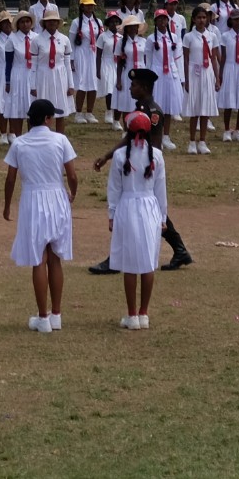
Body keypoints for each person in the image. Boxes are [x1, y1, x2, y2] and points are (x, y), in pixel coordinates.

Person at [87, 67, 195, 274]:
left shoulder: (152, 112)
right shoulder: (143, 108)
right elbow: (130, 138)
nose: (130, 88)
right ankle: (180, 250)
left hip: (146, 164)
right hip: (141, 162)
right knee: (151, 209)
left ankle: (116, 259)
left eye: (134, 85)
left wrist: (111, 157)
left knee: (135, 208)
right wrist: (109, 156)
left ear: (144, 87)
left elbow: (142, 141)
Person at [3, 98, 78, 333]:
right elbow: (72, 176)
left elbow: (11, 178)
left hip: (32, 199)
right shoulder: (60, 140)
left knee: (39, 259)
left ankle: (43, 317)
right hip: (57, 197)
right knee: (54, 257)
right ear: (47, 119)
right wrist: (72, 194)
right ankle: (56, 314)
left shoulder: (20, 143)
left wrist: (6, 206)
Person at [104, 110, 168, 329]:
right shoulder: (157, 155)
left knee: (130, 264)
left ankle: (132, 315)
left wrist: (111, 214)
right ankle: (143, 313)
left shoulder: (121, 155)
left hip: (128, 208)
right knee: (148, 262)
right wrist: (163, 216)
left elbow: (114, 188)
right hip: (150, 208)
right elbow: (161, 190)